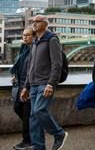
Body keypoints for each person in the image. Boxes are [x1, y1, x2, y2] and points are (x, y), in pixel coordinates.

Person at [20, 15, 68, 150]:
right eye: (33, 21)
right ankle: (38, 146)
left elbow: (56, 64)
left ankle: (59, 134)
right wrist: (26, 87)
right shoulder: (35, 42)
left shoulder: (51, 39)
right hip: (34, 84)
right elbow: (31, 67)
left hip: (45, 83)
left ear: (45, 24)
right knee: (34, 117)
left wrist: (50, 84)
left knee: (39, 110)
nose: (34, 23)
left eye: (37, 21)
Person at [10, 28, 35, 150]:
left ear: (33, 36)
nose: (25, 37)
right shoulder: (23, 49)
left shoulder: (35, 49)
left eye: (28, 35)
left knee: (26, 115)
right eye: (24, 35)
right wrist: (15, 75)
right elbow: (20, 66)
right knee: (17, 107)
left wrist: (27, 87)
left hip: (28, 87)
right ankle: (32, 132)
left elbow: (33, 70)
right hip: (19, 86)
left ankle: (27, 141)